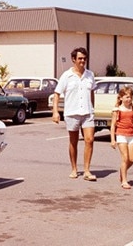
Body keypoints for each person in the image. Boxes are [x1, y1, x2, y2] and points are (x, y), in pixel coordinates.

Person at [52, 47, 97, 181]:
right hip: (72, 113)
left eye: (84, 58)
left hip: (87, 113)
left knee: (89, 140)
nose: (82, 61)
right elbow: (57, 94)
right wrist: (55, 111)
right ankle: (74, 169)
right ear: (73, 59)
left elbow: (92, 92)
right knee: (73, 141)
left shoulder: (90, 75)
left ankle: (87, 171)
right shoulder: (67, 76)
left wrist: (92, 108)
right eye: (80, 58)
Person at [110, 86, 133, 189]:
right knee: (125, 158)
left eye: (130, 97)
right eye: (126, 97)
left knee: (132, 159)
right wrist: (113, 140)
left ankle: (123, 170)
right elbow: (113, 125)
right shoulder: (117, 110)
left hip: (131, 135)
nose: (129, 99)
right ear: (121, 98)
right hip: (121, 135)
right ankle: (124, 180)